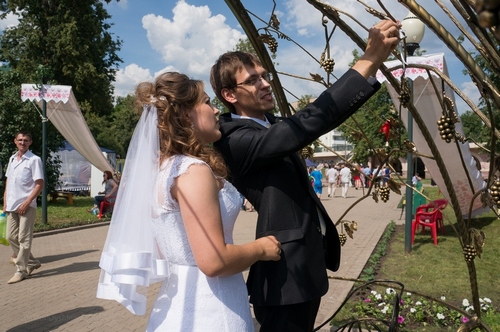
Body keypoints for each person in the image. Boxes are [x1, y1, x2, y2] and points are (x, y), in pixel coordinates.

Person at [210, 19, 400, 331]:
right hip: (282, 279)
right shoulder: (231, 139)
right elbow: (307, 123)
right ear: (229, 95)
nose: (265, 84)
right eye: (253, 80)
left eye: (265, 76)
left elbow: (313, 120)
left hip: (303, 270)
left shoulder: (270, 124)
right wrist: (368, 61)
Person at [97, 72, 281, 331]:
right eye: (207, 102)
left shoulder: (163, 169)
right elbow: (214, 261)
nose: (216, 110)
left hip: (179, 297)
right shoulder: (192, 171)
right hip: (211, 310)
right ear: (185, 115)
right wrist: (261, 249)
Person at [3, 131, 44, 284]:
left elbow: (40, 184)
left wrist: (27, 202)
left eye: (26, 140)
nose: (22, 143)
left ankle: (21, 270)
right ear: (15, 141)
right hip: (12, 204)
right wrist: (5, 200)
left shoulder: (34, 160)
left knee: (24, 239)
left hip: (27, 205)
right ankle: (32, 262)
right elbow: (9, 181)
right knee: (10, 237)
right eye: (20, 140)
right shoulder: (12, 159)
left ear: (30, 143)